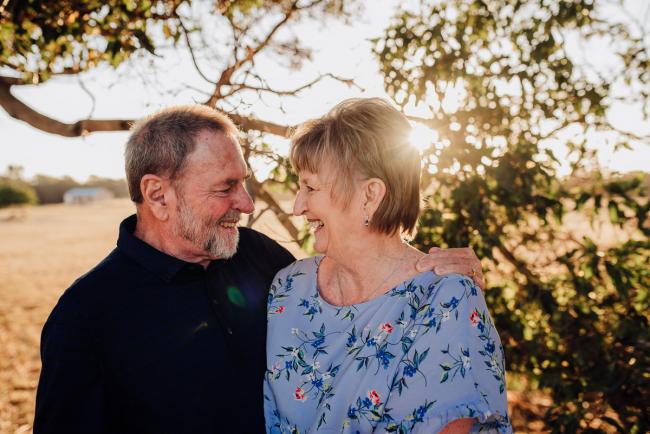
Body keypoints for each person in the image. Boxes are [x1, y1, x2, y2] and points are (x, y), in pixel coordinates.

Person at [34, 105, 485, 433]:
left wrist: (447, 278)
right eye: (226, 187)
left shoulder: (262, 261)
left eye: (245, 182)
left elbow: (361, 287)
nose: (247, 204)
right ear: (157, 196)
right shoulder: (85, 317)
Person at [264, 98, 511, 433]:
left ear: (370, 196)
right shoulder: (287, 288)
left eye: (311, 187)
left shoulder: (443, 301)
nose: (297, 206)